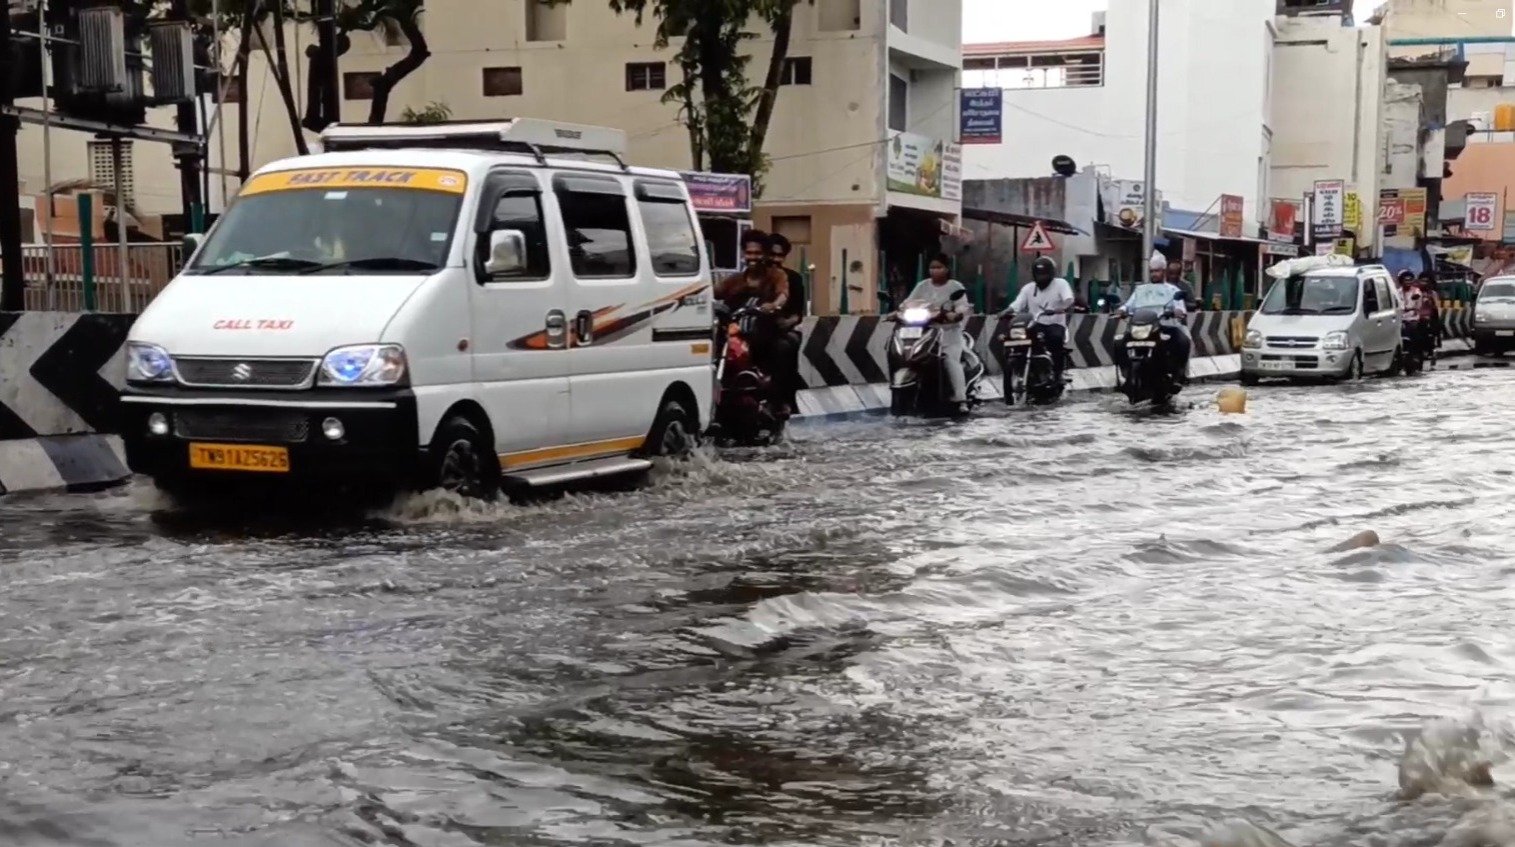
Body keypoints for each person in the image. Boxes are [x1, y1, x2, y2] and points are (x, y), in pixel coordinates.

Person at [715, 230, 794, 412]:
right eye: (749, 253)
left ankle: (777, 401)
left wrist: (773, 305)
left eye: (757, 253)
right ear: (743, 254)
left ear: (765, 254)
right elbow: (714, 291)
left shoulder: (776, 275)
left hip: (764, 333)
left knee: (781, 350)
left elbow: (783, 294)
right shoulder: (734, 280)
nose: (753, 257)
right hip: (734, 332)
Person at [905, 253, 974, 417]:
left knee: (951, 361)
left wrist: (955, 314)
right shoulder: (923, 286)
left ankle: (960, 399)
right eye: (932, 267)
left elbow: (962, 306)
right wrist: (899, 311)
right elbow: (909, 302)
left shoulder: (955, 286)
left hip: (949, 332)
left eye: (938, 267)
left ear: (947, 269)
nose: (934, 271)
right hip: (925, 332)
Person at [1117, 253, 1192, 377]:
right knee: (1119, 342)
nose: (1154, 274)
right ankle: (1125, 372)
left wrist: (1177, 311)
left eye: (1157, 271)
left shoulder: (1173, 290)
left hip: (1164, 326)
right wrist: (1121, 310)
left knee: (1183, 340)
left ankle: (1178, 374)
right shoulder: (1141, 290)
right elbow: (1129, 304)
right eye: (1152, 271)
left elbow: (1180, 307)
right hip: (1142, 327)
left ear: (1164, 272)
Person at [1005, 255, 1076, 382]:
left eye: (1044, 274)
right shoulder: (1028, 288)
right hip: (1035, 323)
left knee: (1055, 339)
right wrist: (1007, 311)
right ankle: (1022, 367)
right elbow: (1018, 303)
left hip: (1055, 323)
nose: (1041, 277)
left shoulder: (1061, 284)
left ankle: (1057, 373)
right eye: (1038, 274)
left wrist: (1060, 308)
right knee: (1015, 339)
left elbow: (1069, 299)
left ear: (1051, 273)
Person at [767, 233, 807, 412]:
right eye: (772, 254)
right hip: (752, 329)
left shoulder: (794, 279)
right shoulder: (751, 277)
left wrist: (786, 322)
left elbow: (798, 314)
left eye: (779, 255)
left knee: (785, 347)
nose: (775, 259)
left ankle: (786, 398)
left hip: (783, 331)